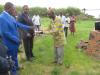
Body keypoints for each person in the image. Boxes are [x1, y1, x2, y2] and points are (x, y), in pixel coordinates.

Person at [0, 2, 33, 75]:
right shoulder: (2, 17)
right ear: (8, 9)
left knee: (14, 56)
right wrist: (17, 40)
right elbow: (6, 33)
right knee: (11, 58)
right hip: (9, 44)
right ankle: (14, 72)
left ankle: (16, 67)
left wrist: (29, 27)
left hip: (14, 43)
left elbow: (18, 24)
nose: (14, 10)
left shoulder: (11, 16)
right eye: (13, 8)